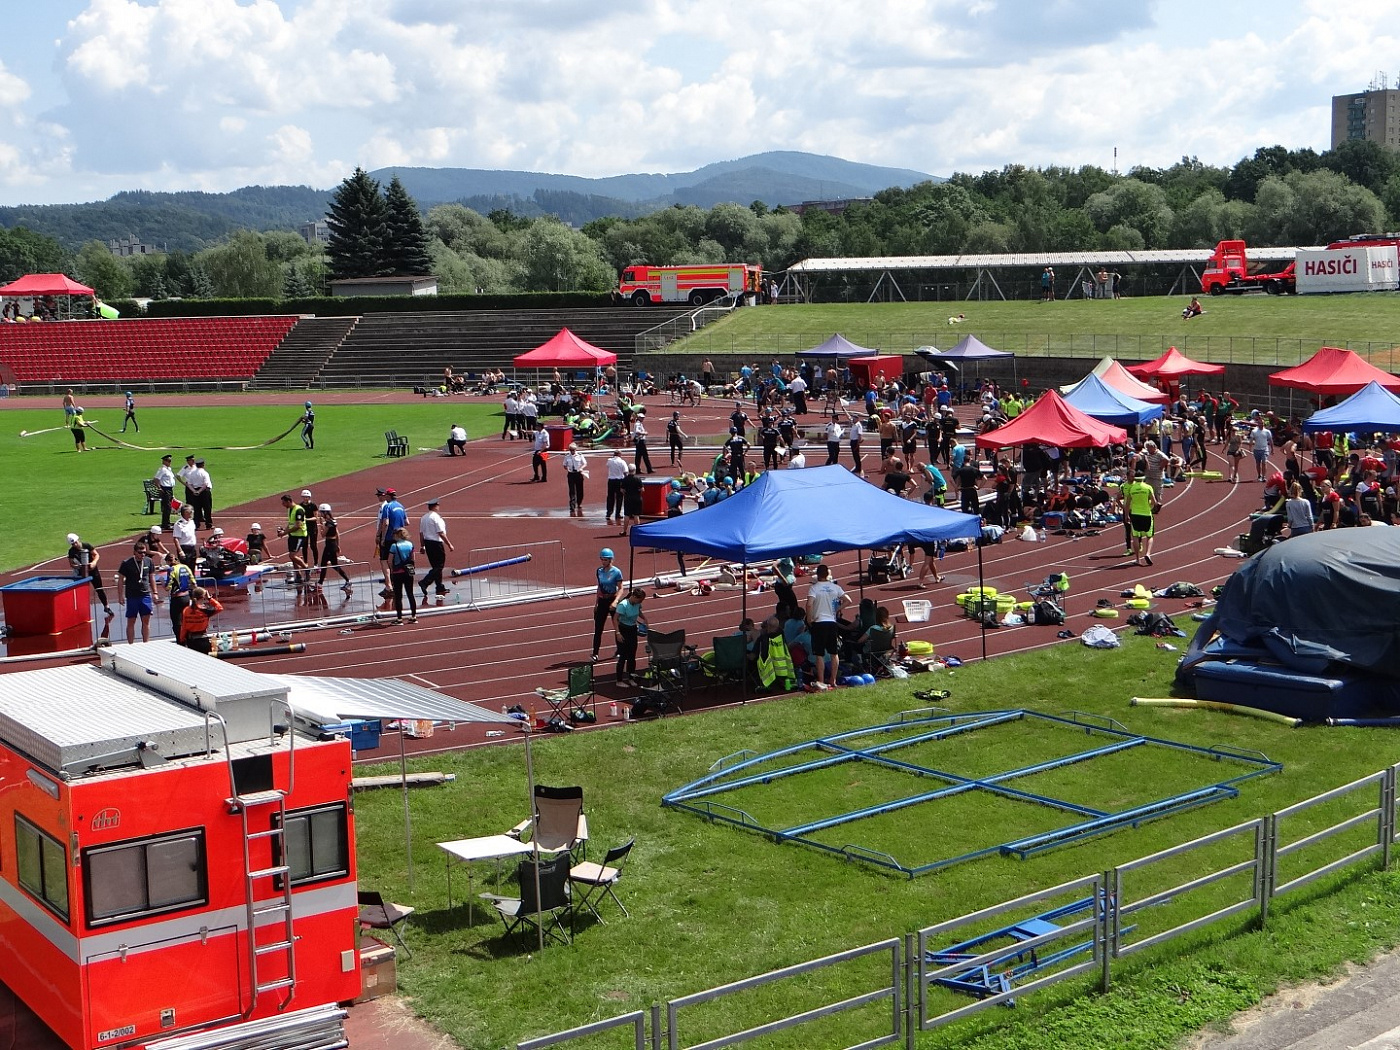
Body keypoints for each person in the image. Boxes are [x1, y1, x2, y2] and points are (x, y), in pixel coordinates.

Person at [805, 563, 847, 689]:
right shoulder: (835, 587)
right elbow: (848, 600)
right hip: (832, 622)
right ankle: (833, 680)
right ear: (828, 574)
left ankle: (822, 681)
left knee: (820, 654)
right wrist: (837, 609)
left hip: (819, 623)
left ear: (817, 575)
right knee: (834, 653)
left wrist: (809, 618)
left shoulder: (814, 588)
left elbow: (809, 604)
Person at [115, 541, 155, 644]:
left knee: (146, 621)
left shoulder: (148, 561)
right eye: (140, 552)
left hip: (145, 595)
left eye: (144, 552)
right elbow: (120, 580)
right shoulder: (126, 563)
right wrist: (120, 596)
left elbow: (152, 577)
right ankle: (130, 645)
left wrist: (155, 592)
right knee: (131, 621)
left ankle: (146, 643)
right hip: (132, 596)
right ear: (134, 552)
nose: (143, 555)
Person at [1119, 465, 1160, 566]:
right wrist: (1150, 507)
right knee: (1150, 536)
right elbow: (1155, 502)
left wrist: (1126, 516)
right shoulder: (1148, 487)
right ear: (1144, 478)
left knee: (1135, 536)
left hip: (1135, 514)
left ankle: (1138, 559)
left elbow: (1127, 504)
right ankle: (1148, 553)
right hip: (1146, 514)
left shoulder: (1131, 488)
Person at [66, 533, 112, 617]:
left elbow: (96, 554)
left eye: (75, 542)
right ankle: (81, 610)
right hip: (82, 572)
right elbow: (71, 564)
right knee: (81, 591)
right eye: (73, 544)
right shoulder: (71, 551)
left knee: (99, 589)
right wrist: (78, 566)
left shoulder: (86, 545)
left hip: (93, 570)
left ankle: (106, 606)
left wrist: (94, 562)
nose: (75, 545)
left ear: (78, 540)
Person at [591, 548, 624, 662]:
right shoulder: (599, 571)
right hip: (602, 601)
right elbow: (599, 588)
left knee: (617, 626)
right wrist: (596, 604)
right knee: (598, 628)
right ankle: (595, 653)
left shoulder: (616, 572)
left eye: (605, 560)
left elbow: (621, 589)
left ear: (611, 560)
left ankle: (619, 650)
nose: (603, 562)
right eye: (602, 559)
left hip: (613, 599)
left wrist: (615, 602)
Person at [418, 498, 453, 603]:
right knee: (439, 566)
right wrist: (449, 544)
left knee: (435, 566)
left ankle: (439, 586)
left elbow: (421, 533)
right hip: (436, 543)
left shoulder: (424, 518)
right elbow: (441, 533)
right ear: (435, 506)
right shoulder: (436, 518)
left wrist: (422, 546)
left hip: (428, 543)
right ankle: (425, 582)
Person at [611, 587, 648, 686]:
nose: (640, 602)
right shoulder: (623, 605)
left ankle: (631, 678)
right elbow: (615, 619)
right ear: (634, 597)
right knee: (623, 656)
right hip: (623, 630)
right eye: (639, 600)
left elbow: (638, 611)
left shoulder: (637, 604)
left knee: (632, 656)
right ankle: (619, 680)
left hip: (632, 630)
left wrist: (644, 619)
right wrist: (618, 633)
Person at [376, 487, 408, 593]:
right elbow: (407, 522)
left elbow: (385, 523)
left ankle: (389, 585)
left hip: (390, 537)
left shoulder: (387, 507)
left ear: (388, 496)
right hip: (400, 538)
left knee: (384, 560)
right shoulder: (401, 506)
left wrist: (382, 538)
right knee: (396, 560)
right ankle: (396, 582)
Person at [316, 504, 353, 594]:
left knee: (325, 564)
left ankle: (320, 584)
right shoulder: (333, 521)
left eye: (321, 512)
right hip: (332, 544)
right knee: (333, 564)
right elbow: (337, 534)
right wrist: (338, 545)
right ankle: (347, 580)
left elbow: (323, 535)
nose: (320, 514)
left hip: (329, 545)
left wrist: (320, 525)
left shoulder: (328, 523)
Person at [178, 586, 223, 654]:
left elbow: (184, 627)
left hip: (191, 641)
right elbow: (219, 608)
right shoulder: (205, 610)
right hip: (202, 639)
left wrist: (182, 639)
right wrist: (210, 599)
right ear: (203, 597)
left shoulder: (186, 610)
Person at [387, 527, 417, 624]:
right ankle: (414, 616)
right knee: (410, 594)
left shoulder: (394, 546)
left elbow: (389, 560)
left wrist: (392, 570)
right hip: (408, 572)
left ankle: (399, 619)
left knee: (398, 596)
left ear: (397, 535)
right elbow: (413, 558)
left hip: (397, 573)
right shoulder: (410, 544)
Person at [278, 493, 310, 584]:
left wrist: (285, 532)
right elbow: (291, 523)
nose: (283, 505)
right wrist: (284, 532)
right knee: (292, 557)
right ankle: (298, 575)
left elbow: (298, 526)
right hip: (292, 536)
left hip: (300, 535)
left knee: (292, 555)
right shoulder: (289, 510)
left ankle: (306, 569)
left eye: (284, 503)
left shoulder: (298, 510)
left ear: (289, 501)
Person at [165, 552, 195, 639]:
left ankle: (180, 640)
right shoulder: (185, 567)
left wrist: (163, 582)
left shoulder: (172, 569)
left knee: (177, 621)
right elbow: (193, 582)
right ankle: (188, 637)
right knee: (186, 619)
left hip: (177, 598)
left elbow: (168, 587)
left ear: (168, 561)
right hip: (186, 596)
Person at [562, 442, 589, 517]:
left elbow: (585, 463)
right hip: (571, 474)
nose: (572, 451)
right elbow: (564, 465)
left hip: (578, 474)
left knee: (580, 490)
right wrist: (567, 468)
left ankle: (579, 503)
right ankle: (572, 507)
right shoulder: (567, 456)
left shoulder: (580, 455)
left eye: (573, 450)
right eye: (571, 450)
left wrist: (581, 468)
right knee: (572, 491)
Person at [187, 458, 213, 530]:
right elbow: (205, 484)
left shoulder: (191, 473)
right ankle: (208, 524)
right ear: (203, 465)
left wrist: (194, 491)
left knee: (196, 509)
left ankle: (196, 524)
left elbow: (189, 484)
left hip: (195, 491)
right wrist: (200, 491)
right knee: (207, 508)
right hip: (204, 491)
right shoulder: (204, 473)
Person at [172, 504, 199, 572]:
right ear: (186, 513)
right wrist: (180, 551)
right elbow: (176, 539)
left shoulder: (192, 522)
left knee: (192, 567)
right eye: (191, 511)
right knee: (185, 568)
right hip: (184, 548)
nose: (192, 512)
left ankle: (192, 581)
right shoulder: (178, 524)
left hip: (192, 548)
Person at [153, 453, 176, 529]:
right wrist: (159, 488)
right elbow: (156, 479)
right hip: (165, 489)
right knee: (167, 507)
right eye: (168, 461)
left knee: (168, 507)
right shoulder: (162, 470)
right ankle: (165, 524)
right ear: (164, 461)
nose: (169, 462)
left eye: (170, 461)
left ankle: (166, 522)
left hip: (169, 489)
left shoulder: (168, 469)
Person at [620, 463, 644, 535]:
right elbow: (642, 489)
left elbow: (622, 490)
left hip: (628, 498)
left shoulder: (625, 479)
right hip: (637, 498)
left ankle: (624, 531)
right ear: (634, 470)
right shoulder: (638, 479)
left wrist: (626, 493)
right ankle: (637, 531)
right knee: (636, 515)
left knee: (627, 515)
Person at [298, 489, 320, 565]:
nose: (305, 498)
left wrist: (306, 519)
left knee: (313, 545)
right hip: (304, 528)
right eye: (304, 497)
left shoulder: (313, 506)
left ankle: (316, 563)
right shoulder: (300, 506)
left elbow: (315, 517)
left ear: (309, 497)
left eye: (306, 497)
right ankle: (305, 562)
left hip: (312, 528)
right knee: (304, 546)